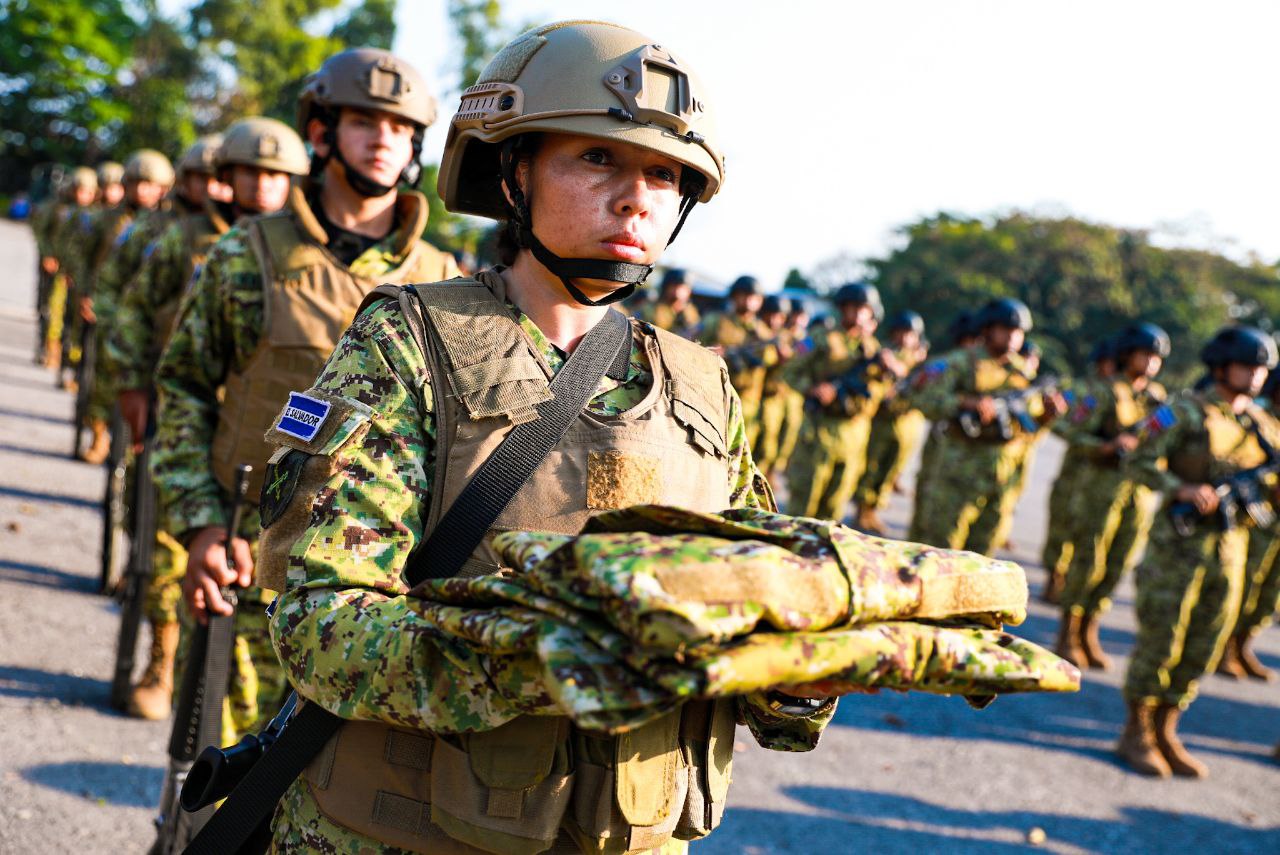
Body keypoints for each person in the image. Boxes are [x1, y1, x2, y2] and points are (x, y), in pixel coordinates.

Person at [252, 22, 837, 852]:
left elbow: (756, 634)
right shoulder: (408, 341)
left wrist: (804, 675)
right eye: (597, 158)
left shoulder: (702, 385)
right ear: (513, 169)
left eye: (664, 173)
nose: (637, 195)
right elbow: (320, 623)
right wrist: (544, 658)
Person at [154, 48, 457, 747]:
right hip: (244, 562)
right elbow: (185, 390)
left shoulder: (446, 283)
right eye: (364, 120)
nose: (385, 138)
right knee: (211, 785)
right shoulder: (246, 255)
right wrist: (201, 526)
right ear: (322, 133)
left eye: (403, 127)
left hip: (373, 597)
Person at [102, 133, 232, 720]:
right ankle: (161, 657)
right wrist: (131, 383)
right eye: (203, 178)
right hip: (173, 406)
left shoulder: (269, 242)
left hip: (242, 421)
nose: (215, 189)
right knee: (161, 544)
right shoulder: (169, 237)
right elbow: (124, 304)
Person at [1119, 326, 1280, 778]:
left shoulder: (1264, 426)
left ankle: (1169, 726)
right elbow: (1137, 460)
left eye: (1262, 368)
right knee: (1161, 638)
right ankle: (1137, 731)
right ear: (1222, 367)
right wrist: (1182, 488)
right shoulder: (1184, 412)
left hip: (1232, 550)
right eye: (1247, 366)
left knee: (1206, 641)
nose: (1255, 376)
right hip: (1178, 546)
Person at [1053, 323, 1170, 670]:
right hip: (1099, 487)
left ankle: (1091, 628)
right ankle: (1067, 632)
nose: (1151, 363)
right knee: (1089, 560)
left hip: (1138, 493)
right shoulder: (1104, 392)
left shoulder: (1159, 399)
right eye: (1144, 354)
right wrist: (1105, 445)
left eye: (1157, 358)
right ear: (1126, 355)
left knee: (1119, 563)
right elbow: (1067, 428)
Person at [909, 297, 1065, 554]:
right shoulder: (961, 361)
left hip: (1003, 474)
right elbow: (924, 399)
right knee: (941, 549)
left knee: (984, 551)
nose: (1013, 337)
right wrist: (966, 403)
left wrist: (1048, 415)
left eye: (1018, 332)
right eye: (1006, 329)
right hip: (959, 468)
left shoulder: (1022, 372)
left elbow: (1030, 428)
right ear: (987, 329)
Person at [71, 149, 175, 463]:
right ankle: (99, 433)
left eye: (152, 184)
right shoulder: (109, 219)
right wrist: (91, 298)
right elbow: (89, 260)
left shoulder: (169, 226)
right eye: (138, 183)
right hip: (115, 311)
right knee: (105, 378)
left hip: (153, 321)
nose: (144, 191)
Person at [783, 283, 904, 521]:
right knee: (802, 508)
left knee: (834, 508)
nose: (859, 314)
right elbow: (790, 371)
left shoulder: (873, 348)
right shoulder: (822, 338)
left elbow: (884, 392)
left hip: (855, 433)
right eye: (854, 307)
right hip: (819, 430)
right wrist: (813, 389)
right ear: (843, 308)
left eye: (865, 309)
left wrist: (887, 372)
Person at [1042, 338, 1118, 603]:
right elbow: (1065, 426)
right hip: (1075, 471)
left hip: (1104, 478)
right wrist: (1098, 445)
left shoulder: (1129, 395)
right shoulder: (1082, 391)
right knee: (1061, 524)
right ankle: (1055, 574)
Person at [1217, 367, 1280, 681]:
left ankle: (1243, 645)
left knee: (1269, 595)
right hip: (1259, 520)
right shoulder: (1261, 422)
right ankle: (1224, 648)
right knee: (1247, 587)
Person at [853, 309, 928, 534]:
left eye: (910, 334)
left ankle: (874, 508)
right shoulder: (883, 353)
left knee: (892, 468)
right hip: (882, 421)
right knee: (872, 465)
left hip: (907, 422)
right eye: (901, 332)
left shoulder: (919, 360)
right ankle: (863, 510)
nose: (905, 338)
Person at [700, 274, 772, 440]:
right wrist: (710, 352)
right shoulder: (716, 321)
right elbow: (692, 346)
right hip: (713, 395)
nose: (748, 301)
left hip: (747, 401)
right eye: (743, 295)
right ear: (734, 297)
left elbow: (770, 360)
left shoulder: (762, 332)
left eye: (753, 297)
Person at [753, 293, 801, 478]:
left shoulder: (785, 338)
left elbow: (796, 358)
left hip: (774, 399)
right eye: (771, 314)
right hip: (752, 397)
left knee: (768, 447)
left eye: (780, 316)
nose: (774, 320)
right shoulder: (756, 332)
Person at [634, 266, 700, 337]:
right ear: (666, 287)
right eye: (674, 286)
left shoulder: (692, 316)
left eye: (683, 288)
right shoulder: (649, 310)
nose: (678, 291)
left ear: (689, 291)